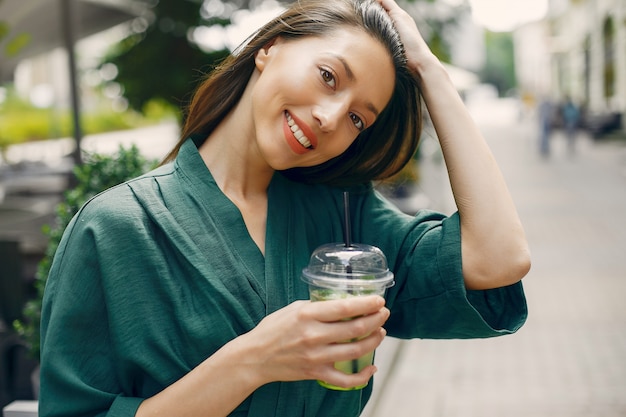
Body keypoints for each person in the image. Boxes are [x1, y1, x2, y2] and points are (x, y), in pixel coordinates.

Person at [39, 0, 531, 416]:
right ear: (268, 49)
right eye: (328, 76)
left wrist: (431, 74)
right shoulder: (116, 229)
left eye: (359, 119)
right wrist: (255, 359)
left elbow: (499, 257)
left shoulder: (346, 217)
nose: (330, 116)